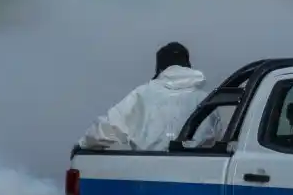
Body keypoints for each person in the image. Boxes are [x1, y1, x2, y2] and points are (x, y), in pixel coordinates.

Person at [77, 42, 221, 151]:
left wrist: (83, 144)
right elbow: (219, 140)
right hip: (198, 176)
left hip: (148, 175)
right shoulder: (207, 101)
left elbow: (105, 130)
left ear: (159, 68)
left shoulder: (142, 94)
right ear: (188, 66)